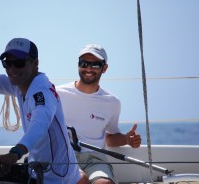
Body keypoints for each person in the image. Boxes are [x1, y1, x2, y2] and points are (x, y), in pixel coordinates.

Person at [0, 38, 85, 184]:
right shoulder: (19, 84)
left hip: (54, 178)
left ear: (35, 63)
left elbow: (39, 125)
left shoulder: (42, 93)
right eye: (7, 63)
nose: (12, 69)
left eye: (19, 63)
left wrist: (15, 153)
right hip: (35, 170)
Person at [56, 44, 142, 184]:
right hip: (64, 158)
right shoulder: (57, 94)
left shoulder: (112, 102)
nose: (88, 68)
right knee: (80, 180)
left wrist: (126, 140)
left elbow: (109, 137)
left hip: (96, 160)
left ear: (105, 68)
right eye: (84, 63)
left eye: (95, 64)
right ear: (78, 65)